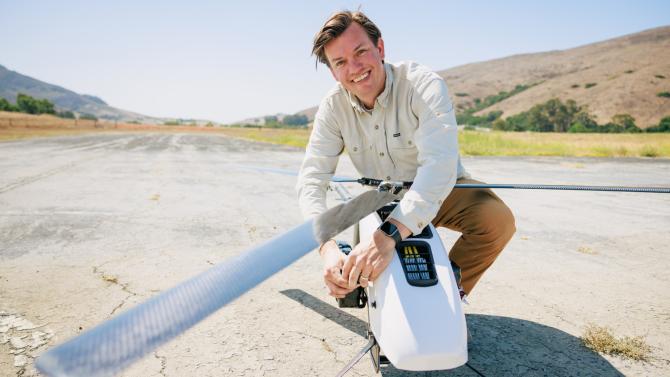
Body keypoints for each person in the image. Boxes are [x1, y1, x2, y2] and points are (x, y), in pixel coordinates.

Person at [296, 10, 515, 300]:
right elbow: (312, 179)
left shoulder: (423, 85)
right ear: (333, 72)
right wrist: (327, 247)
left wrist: (386, 238)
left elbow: (439, 165)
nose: (355, 67)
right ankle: (359, 273)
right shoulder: (332, 107)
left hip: (439, 190)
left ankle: (446, 293)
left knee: (496, 220)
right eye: (340, 62)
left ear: (380, 48)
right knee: (361, 275)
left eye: (361, 51)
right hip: (381, 197)